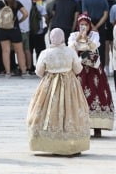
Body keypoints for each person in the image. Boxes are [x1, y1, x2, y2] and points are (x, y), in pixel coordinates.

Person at [27, 28, 90, 156]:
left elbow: (39, 72)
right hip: (69, 85)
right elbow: (78, 70)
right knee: (71, 112)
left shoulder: (45, 53)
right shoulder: (70, 52)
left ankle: (48, 142)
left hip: (49, 85)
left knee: (47, 111)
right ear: (63, 38)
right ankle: (72, 143)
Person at [68, 14, 114, 137]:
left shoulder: (94, 34)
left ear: (89, 25)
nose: (83, 27)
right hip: (79, 68)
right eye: (81, 24)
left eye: (86, 24)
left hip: (93, 69)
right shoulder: (73, 35)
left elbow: (94, 46)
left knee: (97, 93)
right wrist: (78, 38)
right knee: (80, 94)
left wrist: (86, 39)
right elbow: (71, 48)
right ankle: (79, 125)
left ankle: (97, 126)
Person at [0, 0, 29, 78]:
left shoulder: (0, 2)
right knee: (19, 51)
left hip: (2, 29)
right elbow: (26, 14)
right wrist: (19, 21)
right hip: (14, 29)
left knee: (5, 51)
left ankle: (8, 72)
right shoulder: (16, 2)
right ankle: (23, 71)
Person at [82, 0, 109, 66]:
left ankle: (89, 67)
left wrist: (92, 26)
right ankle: (102, 67)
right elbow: (105, 15)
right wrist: (97, 26)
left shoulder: (85, 0)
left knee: (88, 46)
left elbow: (85, 14)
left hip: (88, 26)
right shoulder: (104, 0)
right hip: (101, 26)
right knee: (101, 47)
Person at [13, 0, 33, 74]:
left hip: (19, 27)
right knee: (27, 49)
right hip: (27, 26)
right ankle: (29, 66)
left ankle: (22, 67)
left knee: (19, 49)